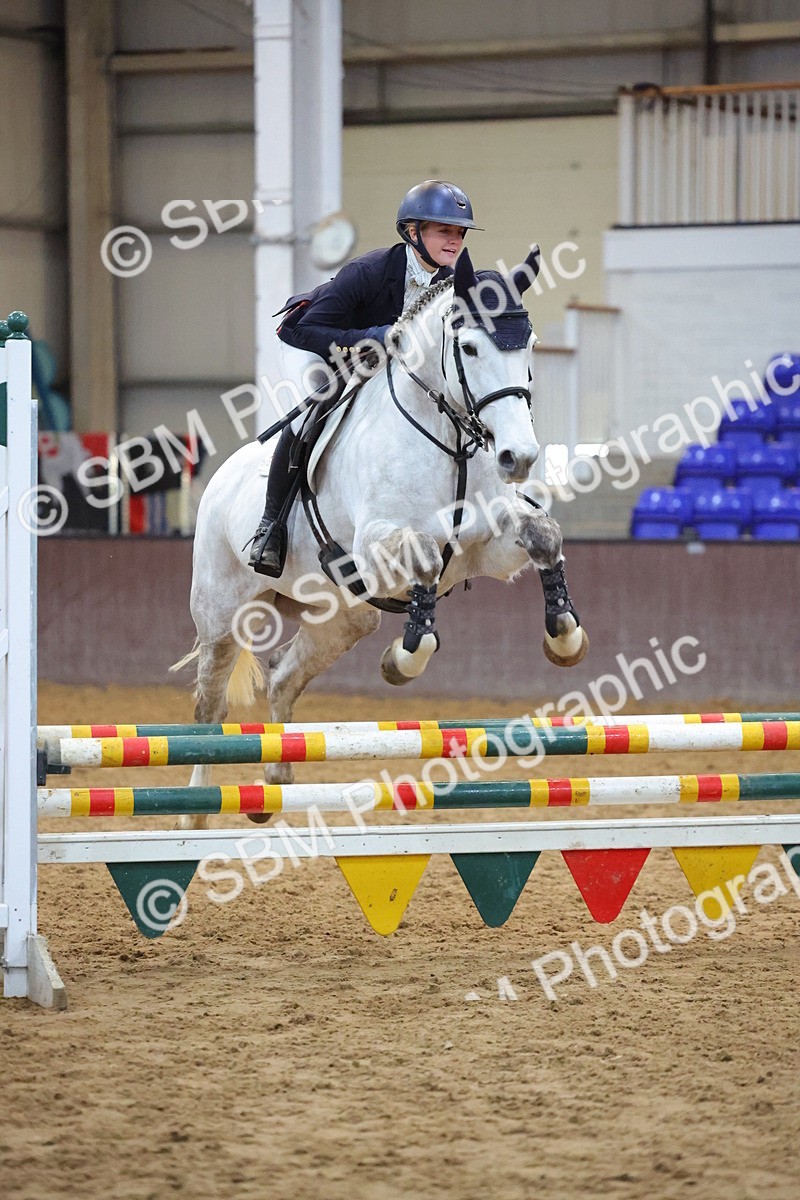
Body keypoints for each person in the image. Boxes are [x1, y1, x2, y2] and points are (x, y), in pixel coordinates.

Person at [249, 179, 481, 576]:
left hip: (381, 358)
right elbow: (304, 330)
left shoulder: (449, 281)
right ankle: (270, 528)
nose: (454, 240)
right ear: (412, 232)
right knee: (312, 413)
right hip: (314, 344)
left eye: (459, 232)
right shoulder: (367, 271)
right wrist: (372, 337)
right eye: (444, 230)